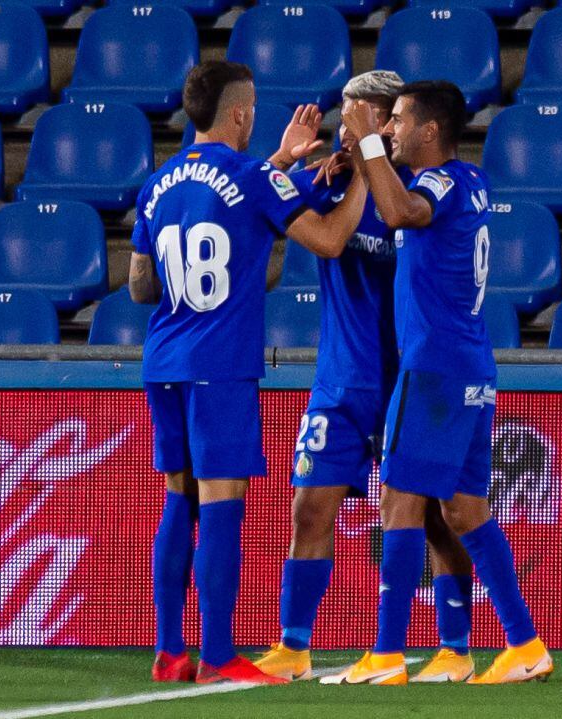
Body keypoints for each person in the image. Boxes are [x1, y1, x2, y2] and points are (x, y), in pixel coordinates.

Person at [129, 60, 368, 685]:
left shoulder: (157, 183)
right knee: (223, 505)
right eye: (253, 107)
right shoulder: (253, 175)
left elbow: (138, 285)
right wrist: (365, 178)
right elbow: (330, 240)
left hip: (162, 361)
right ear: (239, 114)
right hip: (220, 365)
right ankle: (218, 655)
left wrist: (285, 164)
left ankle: (170, 650)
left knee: (178, 500)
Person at [323, 81, 553, 685]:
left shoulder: (437, 186)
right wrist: (362, 160)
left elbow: (401, 211)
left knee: (400, 502)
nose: (392, 128)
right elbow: (402, 203)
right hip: (472, 369)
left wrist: (369, 145)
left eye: (398, 120)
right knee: (466, 509)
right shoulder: (472, 182)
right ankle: (524, 645)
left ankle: (387, 653)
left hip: (433, 370)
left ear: (429, 130)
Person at [255, 71, 479, 684]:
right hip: (339, 381)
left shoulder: (415, 195)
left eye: (363, 119)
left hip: (407, 382)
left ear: (392, 124)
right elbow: (255, 200)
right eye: (344, 118)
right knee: (309, 507)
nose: (347, 130)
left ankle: (453, 645)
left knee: (434, 513)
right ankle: (294, 645)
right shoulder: (327, 184)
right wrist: (290, 158)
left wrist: (362, 169)